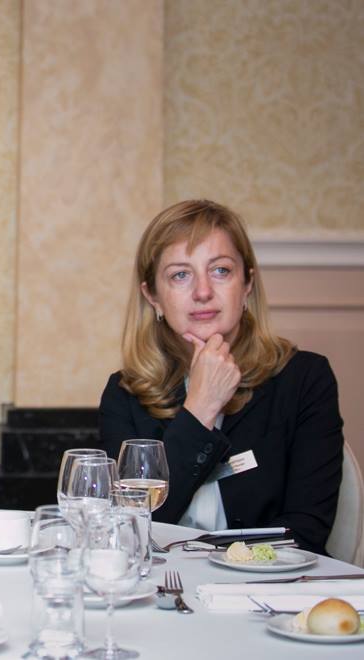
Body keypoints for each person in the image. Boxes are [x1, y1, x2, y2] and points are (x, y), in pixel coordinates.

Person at [100, 199, 342, 554]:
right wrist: (201, 408)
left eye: (220, 270)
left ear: (247, 284)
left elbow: (306, 530)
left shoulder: (305, 379)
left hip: (268, 583)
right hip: (163, 582)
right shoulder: (125, 393)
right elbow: (129, 530)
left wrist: (221, 561)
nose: (202, 292)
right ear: (153, 296)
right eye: (180, 275)